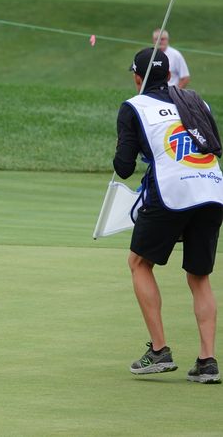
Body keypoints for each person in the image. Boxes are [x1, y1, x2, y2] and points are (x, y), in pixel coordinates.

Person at [114, 47, 223, 384]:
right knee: (199, 276)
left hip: (172, 191)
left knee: (139, 263)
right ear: (169, 75)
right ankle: (207, 362)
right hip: (212, 189)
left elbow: (123, 167)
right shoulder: (197, 101)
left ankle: (160, 351)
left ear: (138, 77)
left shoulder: (134, 107)